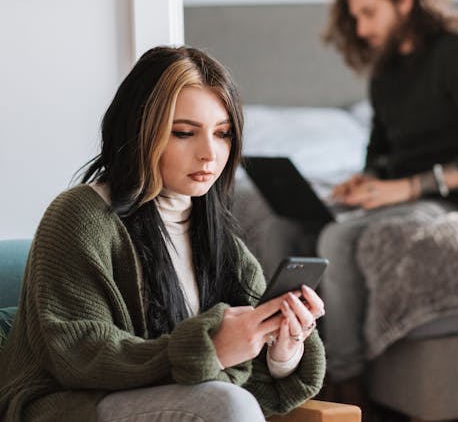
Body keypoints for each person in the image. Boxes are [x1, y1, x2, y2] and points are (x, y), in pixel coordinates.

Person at [0, 46, 326, 422]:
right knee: (224, 405)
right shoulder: (81, 215)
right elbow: (79, 354)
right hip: (74, 406)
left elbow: (241, 383)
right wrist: (211, 349)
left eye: (222, 134)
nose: (210, 154)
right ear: (140, 130)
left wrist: (282, 350)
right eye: (185, 133)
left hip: (177, 406)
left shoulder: (222, 243)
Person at [317, 0, 458, 410]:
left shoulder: (456, 52)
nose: (360, 29)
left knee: (337, 239)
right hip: (403, 191)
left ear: (403, 0)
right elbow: (380, 151)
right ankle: (297, 371)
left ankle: (346, 384)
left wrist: (413, 186)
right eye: (355, 17)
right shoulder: (385, 73)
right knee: (294, 223)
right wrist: (366, 180)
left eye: (368, 13)